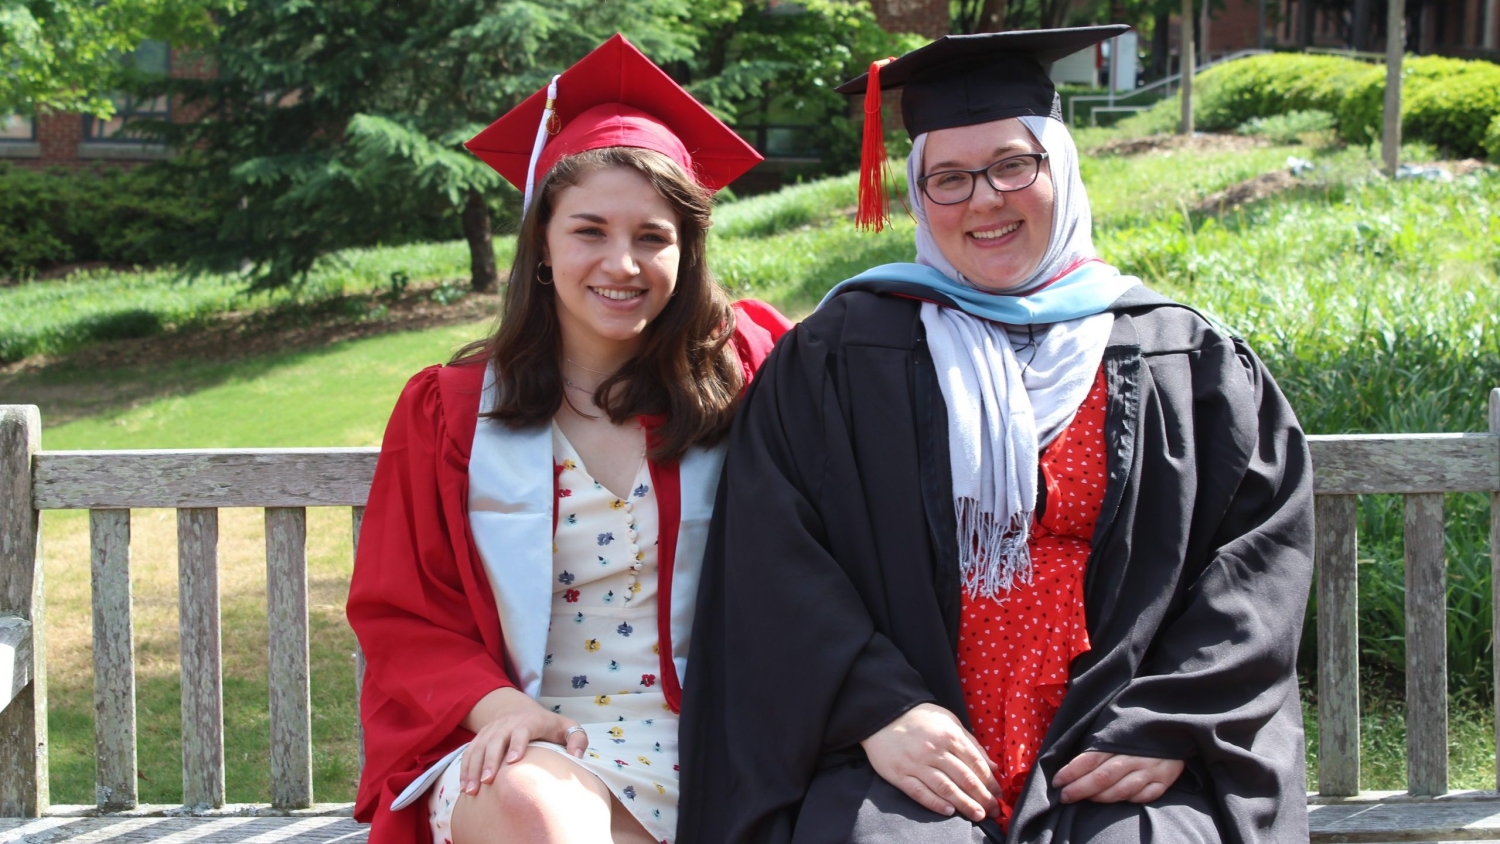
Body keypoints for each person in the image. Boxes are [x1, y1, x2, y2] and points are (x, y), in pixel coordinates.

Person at [678, 26, 1314, 844]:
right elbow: (774, 551)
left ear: (1063, 167)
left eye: (1014, 165)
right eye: (948, 177)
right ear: (915, 194)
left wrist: (1169, 720)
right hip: (908, 750)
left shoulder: (1181, 357)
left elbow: (1257, 556)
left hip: (1113, 744)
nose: (984, 198)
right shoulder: (838, 354)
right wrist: (876, 708)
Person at [347, 34, 789, 844]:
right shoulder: (449, 412)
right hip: (523, 735)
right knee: (540, 818)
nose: (622, 262)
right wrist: (500, 706)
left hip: (717, 730)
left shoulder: (746, 376)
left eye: (653, 236)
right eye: (589, 230)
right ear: (542, 247)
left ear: (687, 253)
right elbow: (402, 614)